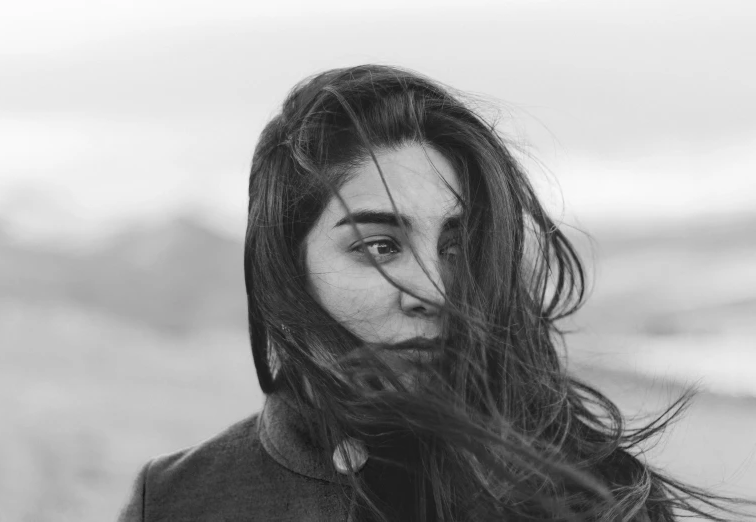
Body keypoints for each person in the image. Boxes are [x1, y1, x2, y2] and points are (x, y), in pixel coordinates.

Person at [117, 65, 748, 521]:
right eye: (379, 246)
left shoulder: (597, 491)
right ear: (289, 265)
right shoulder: (180, 500)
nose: (434, 290)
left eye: (455, 246)